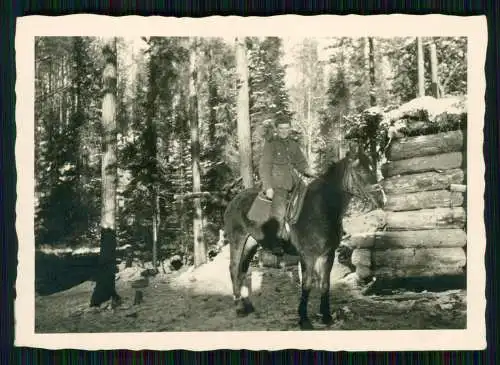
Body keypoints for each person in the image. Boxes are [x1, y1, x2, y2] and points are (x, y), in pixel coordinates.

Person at [258, 120, 315, 256]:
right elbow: (264, 167)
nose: (284, 131)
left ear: (290, 129)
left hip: (293, 180)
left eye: (287, 128)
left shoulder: (293, 144)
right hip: (277, 183)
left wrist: (310, 172)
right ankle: (276, 241)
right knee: (280, 210)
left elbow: (300, 162)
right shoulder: (271, 144)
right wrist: (268, 187)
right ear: (277, 129)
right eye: (281, 128)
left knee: (312, 198)